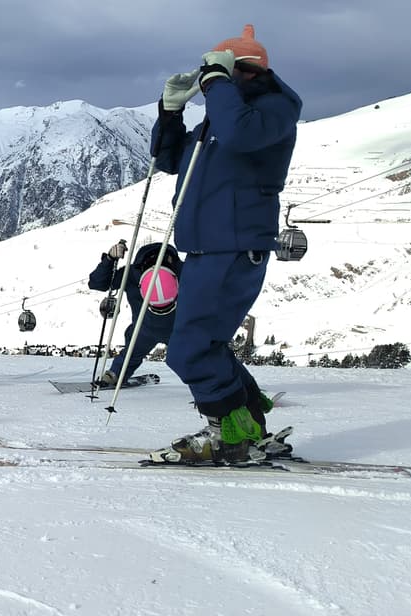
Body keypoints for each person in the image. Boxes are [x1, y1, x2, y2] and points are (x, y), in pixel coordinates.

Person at [150, 24, 301, 464]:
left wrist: (216, 83)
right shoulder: (223, 115)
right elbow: (168, 161)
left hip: (233, 246)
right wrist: (171, 113)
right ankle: (249, 423)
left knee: (188, 350)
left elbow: (239, 135)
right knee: (204, 346)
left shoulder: (271, 111)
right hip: (203, 246)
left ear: (243, 71)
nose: (206, 77)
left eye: (215, 70)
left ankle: (227, 433)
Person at [87, 241, 183, 386]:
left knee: (130, 354)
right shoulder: (183, 270)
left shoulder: (132, 273)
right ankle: (209, 381)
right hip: (180, 329)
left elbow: (97, 283)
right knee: (196, 355)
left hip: (143, 329)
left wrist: (110, 259)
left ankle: (114, 376)